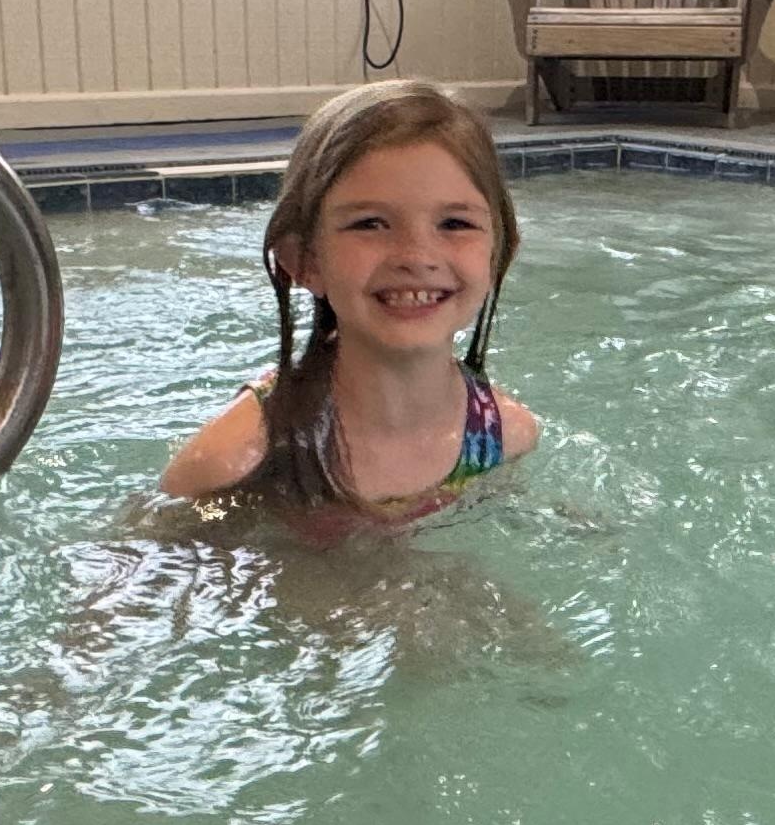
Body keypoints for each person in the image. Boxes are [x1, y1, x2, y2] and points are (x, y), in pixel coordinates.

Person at [163, 83, 541, 526]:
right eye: (370, 224)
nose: (417, 256)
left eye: (455, 223)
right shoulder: (235, 461)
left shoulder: (503, 438)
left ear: (499, 254)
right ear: (303, 260)